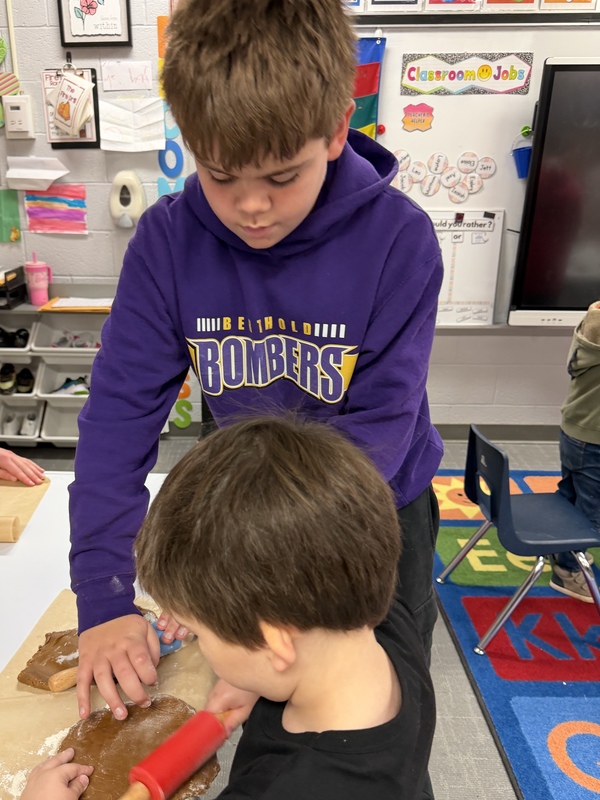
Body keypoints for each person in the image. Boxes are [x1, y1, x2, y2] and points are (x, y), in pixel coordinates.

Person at [69, 0, 443, 746]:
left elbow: (375, 437)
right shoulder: (168, 245)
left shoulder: (400, 242)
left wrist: (255, 578)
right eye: (219, 174)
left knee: (363, 729)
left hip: (371, 510)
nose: (251, 206)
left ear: (337, 128)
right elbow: (116, 423)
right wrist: (105, 598)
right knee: (241, 717)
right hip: (247, 501)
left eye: (282, 176)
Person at [23, 417, 435, 799]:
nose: (200, 643)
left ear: (275, 643)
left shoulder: (283, 788)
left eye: (200, 633)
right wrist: (256, 677)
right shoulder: (385, 624)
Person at [550, 300, 600, 602]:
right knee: (592, 515)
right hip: (594, 439)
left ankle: (564, 551)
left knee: (571, 496)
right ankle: (568, 572)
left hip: (575, 430)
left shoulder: (593, 318)